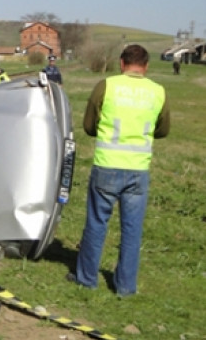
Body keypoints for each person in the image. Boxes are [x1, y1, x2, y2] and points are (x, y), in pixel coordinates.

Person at [67, 44, 170, 297]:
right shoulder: (158, 91)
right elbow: (163, 129)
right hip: (138, 169)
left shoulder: (107, 86)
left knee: (96, 223)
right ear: (146, 66)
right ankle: (125, 286)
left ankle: (87, 278)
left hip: (107, 164)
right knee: (132, 230)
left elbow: (89, 125)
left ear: (122, 63)